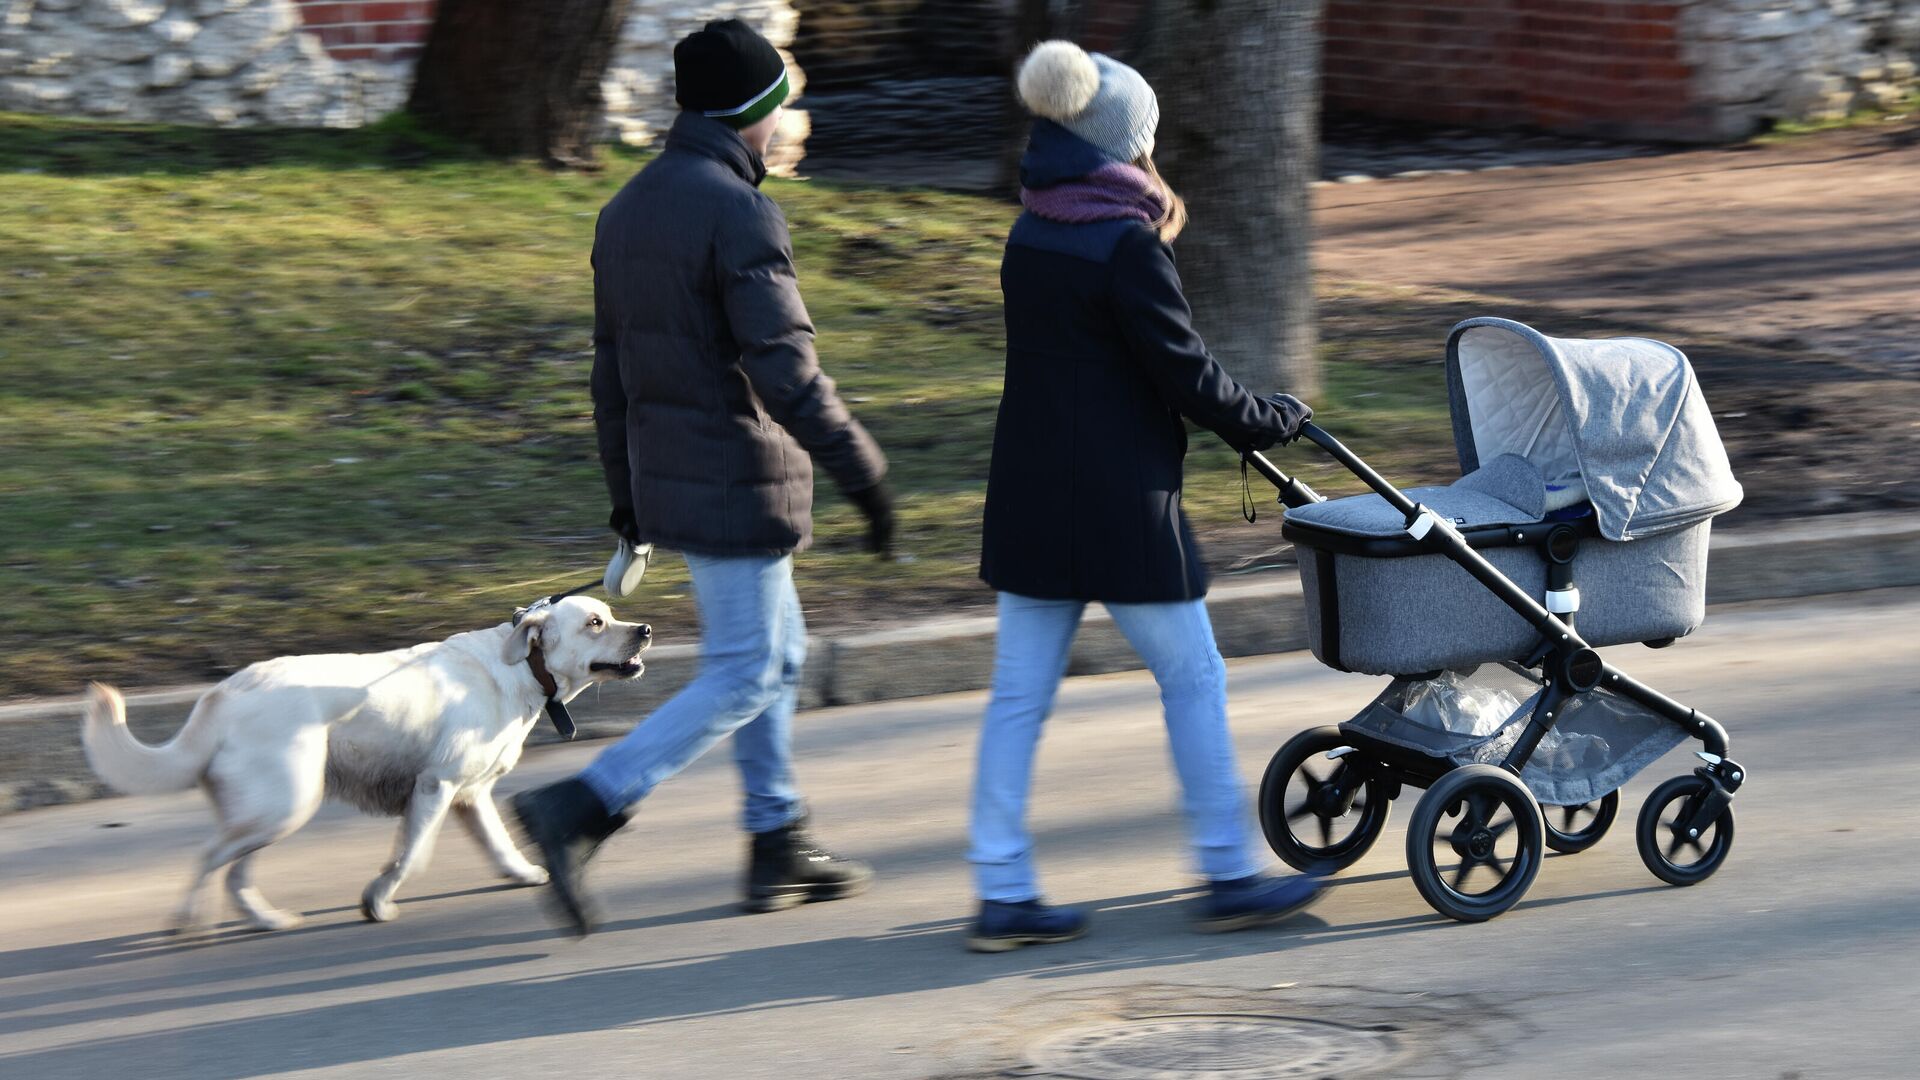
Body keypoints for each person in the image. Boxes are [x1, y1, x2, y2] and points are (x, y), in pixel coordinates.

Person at [513, 19, 894, 936]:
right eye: (778, 110)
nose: (781, 127)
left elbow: (610, 375)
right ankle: (583, 805)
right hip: (736, 477)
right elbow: (787, 369)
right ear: (755, 113)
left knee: (780, 656)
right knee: (746, 668)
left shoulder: (629, 207)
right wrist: (862, 469)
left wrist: (627, 498)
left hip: (677, 478)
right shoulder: (739, 210)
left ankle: (776, 837)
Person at [966, 41, 1322, 952]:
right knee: (1194, 678)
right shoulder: (1123, 244)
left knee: (1017, 697)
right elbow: (1187, 378)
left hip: (1032, 494)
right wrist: (1270, 416)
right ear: (1126, 146)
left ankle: (1002, 888)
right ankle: (1227, 870)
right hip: (1120, 503)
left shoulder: (1032, 229)